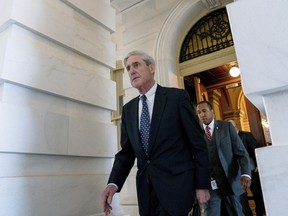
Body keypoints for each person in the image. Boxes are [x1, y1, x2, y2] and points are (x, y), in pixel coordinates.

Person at [102, 50, 211, 216]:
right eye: (128, 67)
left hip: (178, 189)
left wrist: (202, 185)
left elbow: (198, 145)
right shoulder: (128, 110)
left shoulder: (177, 98)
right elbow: (127, 153)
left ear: (151, 68)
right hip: (147, 194)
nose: (131, 70)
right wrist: (113, 183)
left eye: (136, 64)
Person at [196, 101, 251, 216]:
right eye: (199, 112)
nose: (201, 115)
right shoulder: (196, 133)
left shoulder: (226, 127)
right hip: (210, 184)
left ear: (212, 112)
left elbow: (241, 153)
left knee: (237, 212)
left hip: (229, 181)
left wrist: (245, 174)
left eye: (204, 111)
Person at [229, 120, 266, 216]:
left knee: (258, 194)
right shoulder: (227, 139)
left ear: (236, 126)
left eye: (231, 126)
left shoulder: (246, 135)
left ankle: (259, 213)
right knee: (242, 198)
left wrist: (259, 164)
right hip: (237, 174)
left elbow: (254, 149)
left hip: (252, 170)